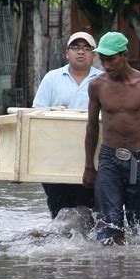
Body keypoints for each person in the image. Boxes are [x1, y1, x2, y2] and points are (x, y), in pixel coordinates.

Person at [83, 31, 140, 245]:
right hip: (109, 160)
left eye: (111, 59)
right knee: (108, 230)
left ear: (124, 55)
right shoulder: (97, 85)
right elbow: (92, 126)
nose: (106, 65)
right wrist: (88, 166)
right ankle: (114, 274)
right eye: (102, 60)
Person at [33, 32, 103, 219]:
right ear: (67, 53)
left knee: (91, 209)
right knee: (59, 210)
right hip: (56, 157)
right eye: (76, 48)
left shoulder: (104, 80)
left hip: (93, 156)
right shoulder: (51, 78)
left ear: (94, 56)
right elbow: (37, 115)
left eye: (86, 49)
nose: (81, 52)